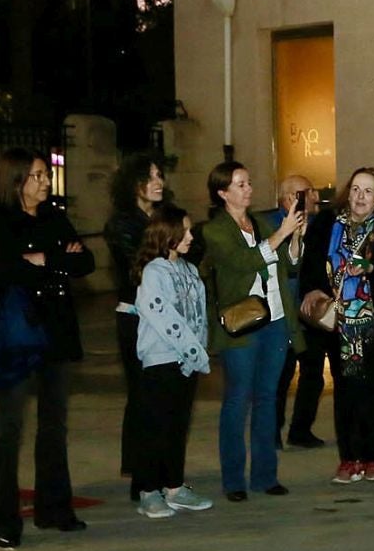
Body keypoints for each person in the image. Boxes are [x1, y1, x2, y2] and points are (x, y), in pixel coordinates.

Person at [0, 149, 95, 547]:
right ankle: (4, 518)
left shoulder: (54, 216)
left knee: (54, 425)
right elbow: (3, 266)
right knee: (8, 428)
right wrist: (57, 259)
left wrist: (43, 258)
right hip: (16, 334)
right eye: (38, 175)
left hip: (56, 331)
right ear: (16, 181)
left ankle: (54, 507)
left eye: (46, 174)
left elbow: (86, 262)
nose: (47, 181)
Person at [199, 160, 305, 502]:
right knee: (237, 399)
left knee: (267, 398)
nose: (248, 189)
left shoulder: (259, 221)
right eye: (240, 184)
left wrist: (294, 239)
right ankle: (233, 480)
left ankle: (265, 475)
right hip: (242, 324)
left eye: (248, 182)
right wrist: (280, 235)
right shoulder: (214, 230)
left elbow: (289, 264)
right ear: (222, 192)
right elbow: (243, 262)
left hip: (274, 319)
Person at [297, 167, 374, 485]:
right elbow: (311, 265)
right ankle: (348, 458)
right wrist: (314, 289)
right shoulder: (326, 224)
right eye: (356, 189)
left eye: (368, 191)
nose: (360, 197)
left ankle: (371, 457)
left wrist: (371, 267)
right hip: (338, 323)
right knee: (345, 391)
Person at [128, 204, 215, 519]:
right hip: (162, 361)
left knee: (178, 426)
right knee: (156, 427)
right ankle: (149, 491)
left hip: (187, 362)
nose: (191, 236)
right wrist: (194, 352)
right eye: (185, 230)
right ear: (167, 234)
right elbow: (163, 317)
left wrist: (198, 350)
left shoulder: (188, 270)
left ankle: (174, 487)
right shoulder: (153, 272)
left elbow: (199, 315)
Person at [106, 151, 168, 492]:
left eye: (160, 175)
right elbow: (139, 270)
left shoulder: (161, 218)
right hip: (136, 315)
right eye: (150, 177)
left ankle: (153, 466)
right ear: (134, 184)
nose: (158, 182)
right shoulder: (122, 223)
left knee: (158, 394)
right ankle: (142, 476)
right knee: (143, 394)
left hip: (164, 314)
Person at [265, 174, 328, 449]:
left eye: (313, 190)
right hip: (285, 312)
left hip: (311, 312)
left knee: (313, 374)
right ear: (290, 198)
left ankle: (301, 430)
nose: (314, 196)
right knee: (281, 375)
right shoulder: (271, 224)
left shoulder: (321, 225)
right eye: (306, 192)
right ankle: (273, 431)